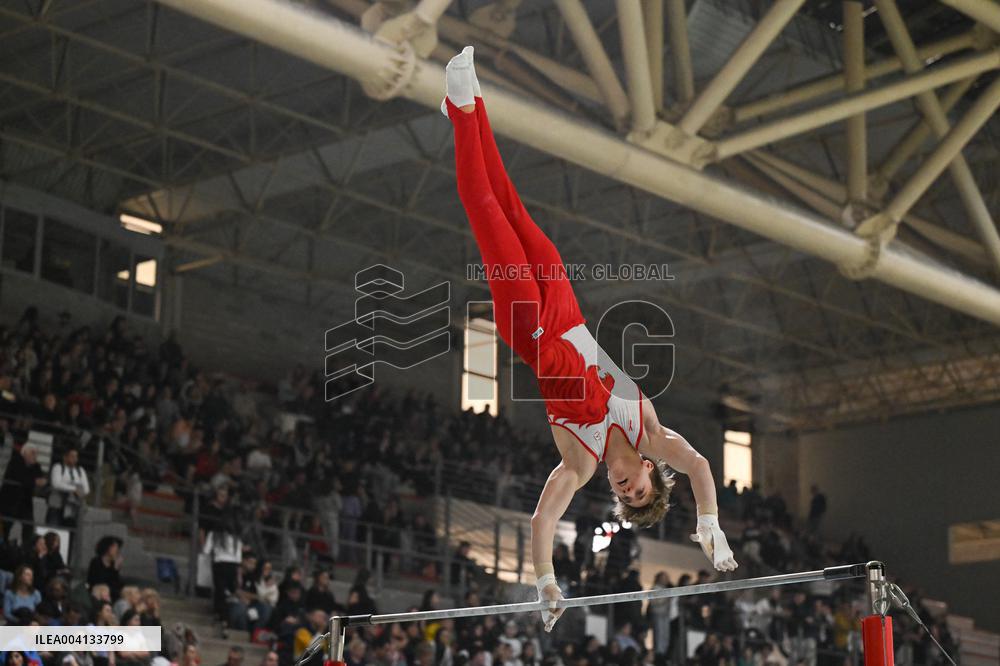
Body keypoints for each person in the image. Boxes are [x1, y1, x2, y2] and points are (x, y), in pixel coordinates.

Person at [441, 46, 737, 632]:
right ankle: (468, 105)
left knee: (483, 207)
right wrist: (709, 522)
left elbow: (542, 520)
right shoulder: (649, 431)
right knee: (508, 201)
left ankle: (460, 106)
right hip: (566, 308)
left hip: (531, 328)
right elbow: (702, 465)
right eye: (638, 491)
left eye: (624, 497)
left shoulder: (579, 461)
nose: (626, 490)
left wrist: (545, 581)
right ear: (652, 472)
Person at [0, 443, 46, 542]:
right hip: (10, 500)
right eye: (32, 453)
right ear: (24, 452)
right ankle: (4, 546)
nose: (35, 456)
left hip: (25, 502)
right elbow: (20, 477)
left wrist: (38, 481)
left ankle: (26, 548)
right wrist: (34, 481)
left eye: (36, 454)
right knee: (6, 527)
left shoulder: (36, 465)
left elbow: (41, 479)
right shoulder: (15, 461)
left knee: (28, 527)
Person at [47, 447, 90, 527]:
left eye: (76, 457)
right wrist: (74, 489)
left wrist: (69, 486)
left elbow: (86, 489)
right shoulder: (58, 467)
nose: (75, 459)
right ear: (65, 457)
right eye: (72, 456)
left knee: (70, 530)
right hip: (57, 506)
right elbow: (56, 484)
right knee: (53, 529)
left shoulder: (80, 470)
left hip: (73, 508)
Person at [87, 536, 124, 601]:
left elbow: (116, 583)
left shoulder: (113, 563)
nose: (117, 550)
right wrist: (114, 569)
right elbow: (100, 581)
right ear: (107, 548)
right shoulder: (96, 562)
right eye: (114, 546)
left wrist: (116, 569)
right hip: (98, 590)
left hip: (112, 591)